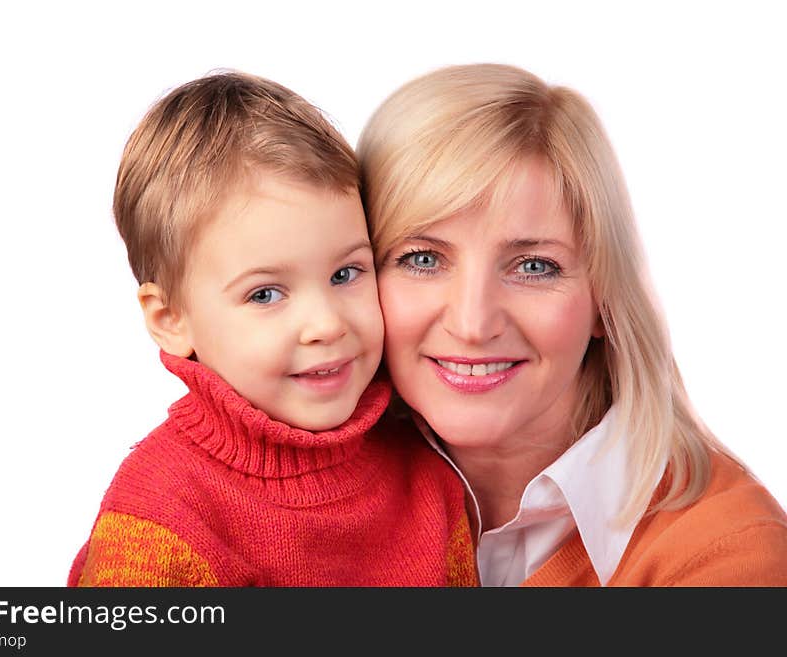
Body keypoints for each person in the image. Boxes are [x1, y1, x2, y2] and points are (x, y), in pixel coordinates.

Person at [356, 63, 787, 586]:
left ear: (604, 300)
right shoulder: (300, 499)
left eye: (534, 266)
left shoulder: (730, 556)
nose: (473, 323)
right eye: (422, 259)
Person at [67, 71, 478, 587]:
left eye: (345, 274)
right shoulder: (163, 514)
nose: (326, 325)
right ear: (170, 320)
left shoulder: (425, 472)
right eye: (265, 294)